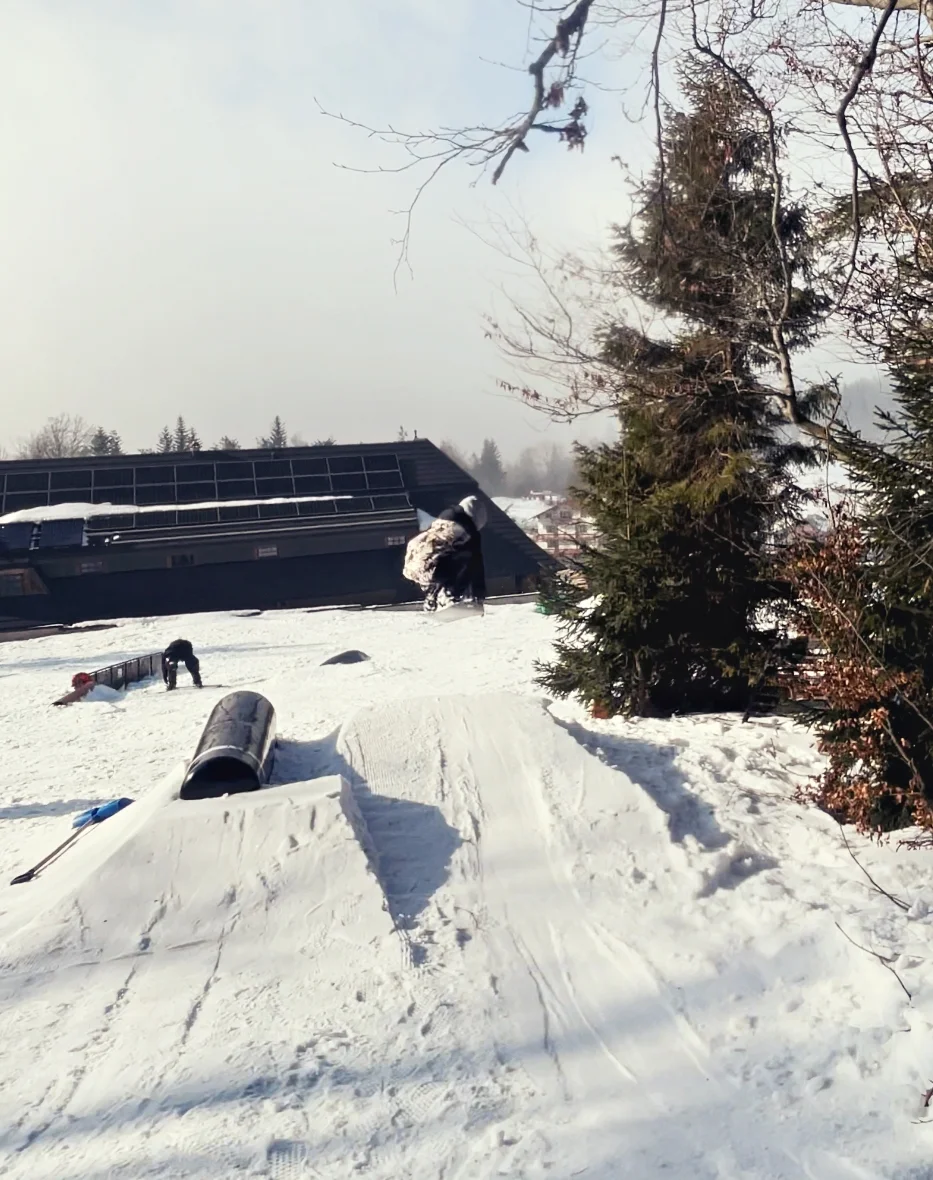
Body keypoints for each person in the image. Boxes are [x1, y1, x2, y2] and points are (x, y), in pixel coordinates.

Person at [403, 494, 487, 612]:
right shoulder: (468, 530)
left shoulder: (441, 521)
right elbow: (477, 562)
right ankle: (450, 595)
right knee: (467, 557)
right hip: (435, 570)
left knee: (446, 556)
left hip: (414, 569)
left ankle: (432, 599)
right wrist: (479, 595)